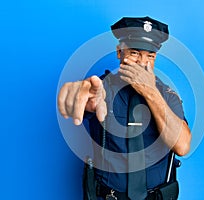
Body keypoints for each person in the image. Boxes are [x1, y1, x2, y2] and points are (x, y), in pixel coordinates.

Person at [57, 16, 191, 200]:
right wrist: (78, 98)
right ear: (119, 52)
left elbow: (182, 146)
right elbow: (84, 100)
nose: (142, 63)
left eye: (149, 56)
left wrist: (151, 93)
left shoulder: (167, 95)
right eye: (135, 53)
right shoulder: (100, 89)